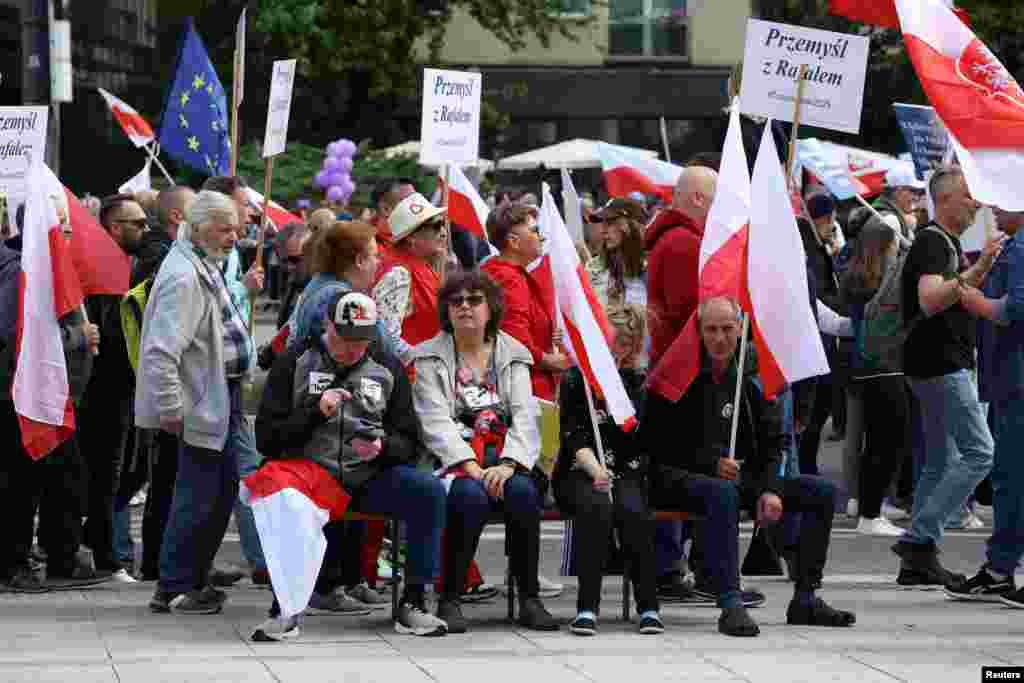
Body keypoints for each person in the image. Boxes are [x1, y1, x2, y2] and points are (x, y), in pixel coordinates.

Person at [644, 296, 855, 637]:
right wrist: (710, 464)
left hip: (738, 478)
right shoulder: (678, 375)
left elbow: (775, 441)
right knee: (723, 491)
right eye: (711, 330)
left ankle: (806, 596)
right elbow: (656, 445)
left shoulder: (749, 374)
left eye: (727, 329)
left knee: (822, 492)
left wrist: (770, 489)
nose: (719, 338)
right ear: (699, 332)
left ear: (740, 329)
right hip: (678, 479)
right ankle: (729, 601)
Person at [251, 291, 448, 639]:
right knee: (280, 495)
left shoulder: (387, 367)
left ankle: (413, 602)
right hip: (311, 478)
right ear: (328, 325)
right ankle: (284, 608)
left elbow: (410, 442)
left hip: (368, 477)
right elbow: (267, 439)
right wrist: (315, 412)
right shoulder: (295, 361)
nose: (352, 350)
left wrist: (382, 447)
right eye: (344, 339)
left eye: (362, 341)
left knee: (428, 490)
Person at [412, 270, 559, 633]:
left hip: (507, 459)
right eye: (457, 301)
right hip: (455, 462)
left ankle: (529, 598)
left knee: (524, 493)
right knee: (468, 496)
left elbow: (527, 415)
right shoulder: (429, 357)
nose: (465, 307)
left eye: (474, 300)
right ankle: (450, 597)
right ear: (446, 310)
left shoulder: (514, 354)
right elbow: (433, 421)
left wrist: (509, 464)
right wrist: (472, 466)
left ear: (491, 308)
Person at [135, 190, 257, 614]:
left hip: (218, 397)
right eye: (225, 230)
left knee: (216, 492)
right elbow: (160, 351)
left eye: (236, 230)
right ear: (199, 226)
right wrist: (170, 408)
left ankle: (191, 579)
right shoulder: (184, 275)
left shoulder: (200, 261)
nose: (233, 238)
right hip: (203, 401)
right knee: (197, 495)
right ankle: (175, 586)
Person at [891, 167, 1004, 588]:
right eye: (968, 196)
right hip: (940, 364)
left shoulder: (944, 242)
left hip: (935, 363)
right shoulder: (933, 241)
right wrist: (971, 276)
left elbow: (953, 293)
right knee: (980, 452)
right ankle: (919, 540)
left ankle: (915, 565)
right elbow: (929, 299)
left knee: (940, 462)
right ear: (945, 200)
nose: (975, 202)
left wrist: (981, 268)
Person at [554, 305, 663, 636]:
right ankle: (587, 607)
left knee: (633, 511)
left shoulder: (639, 385)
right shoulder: (576, 380)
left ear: (627, 347)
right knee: (597, 506)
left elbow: (643, 440)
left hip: (626, 470)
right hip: (580, 470)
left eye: (611, 342)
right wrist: (595, 468)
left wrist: (618, 469)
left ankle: (648, 606)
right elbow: (573, 434)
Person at [944, 206, 1024, 603]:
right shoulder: (1011, 245)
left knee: (1012, 479)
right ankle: (999, 568)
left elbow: (1015, 309)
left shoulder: (1023, 247)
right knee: (1009, 478)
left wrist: (976, 302)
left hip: (1016, 381)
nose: (991, 207)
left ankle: (1000, 569)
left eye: (1002, 198)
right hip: (1007, 378)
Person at [76, 194, 148, 581]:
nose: (145, 229)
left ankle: (98, 541)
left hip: (129, 385)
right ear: (114, 228)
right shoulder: (98, 270)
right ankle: (103, 554)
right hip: (102, 388)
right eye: (137, 223)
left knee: (130, 470)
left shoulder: (129, 265)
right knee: (107, 469)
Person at [840, 217, 910, 537]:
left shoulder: (856, 276)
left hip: (862, 365)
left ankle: (868, 505)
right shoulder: (884, 279)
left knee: (871, 441)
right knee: (886, 441)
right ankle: (870, 512)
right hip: (885, 364)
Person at [481, 202, 570, 402]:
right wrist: (548, 360)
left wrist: (548, 333)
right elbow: (515, 340)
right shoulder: (509, 278)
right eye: (535, 231)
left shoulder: (498, 271)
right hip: (525, 392)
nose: (542, 236)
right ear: (514, 241)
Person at [645, 166, 717, 367]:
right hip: (683, 368)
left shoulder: (678, 237)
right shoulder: (684, 243)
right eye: (717, 199)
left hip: (671, 362)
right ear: (698, 198)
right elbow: (689, 314)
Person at [797, 193, 845, 475]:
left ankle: (806, 466)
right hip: (817, 339)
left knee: (817, 410)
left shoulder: (817, 245)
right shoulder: (809, 248)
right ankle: (806, 467)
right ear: (825, 219)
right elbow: (820, 297)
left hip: (822, 337)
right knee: (813, 411)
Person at [373, 193, 449, 365]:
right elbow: (386, 335)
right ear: (411, 237)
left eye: (443, 224)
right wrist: (422, 361)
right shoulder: (398, 274)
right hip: (408, 379)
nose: (444, 232)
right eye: (436, 226)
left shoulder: (419, 264)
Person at [585, 198, 648, 311]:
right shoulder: (593, 269)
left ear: (630, 226)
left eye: (610, 223)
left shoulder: (653, 267)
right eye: (603, 223)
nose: (603, 230)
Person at [875, 166, 925, 247]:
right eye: (913, 191)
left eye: (918, 192)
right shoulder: (890, 221)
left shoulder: (887, 217)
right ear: (898, 191)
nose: (916, 197)